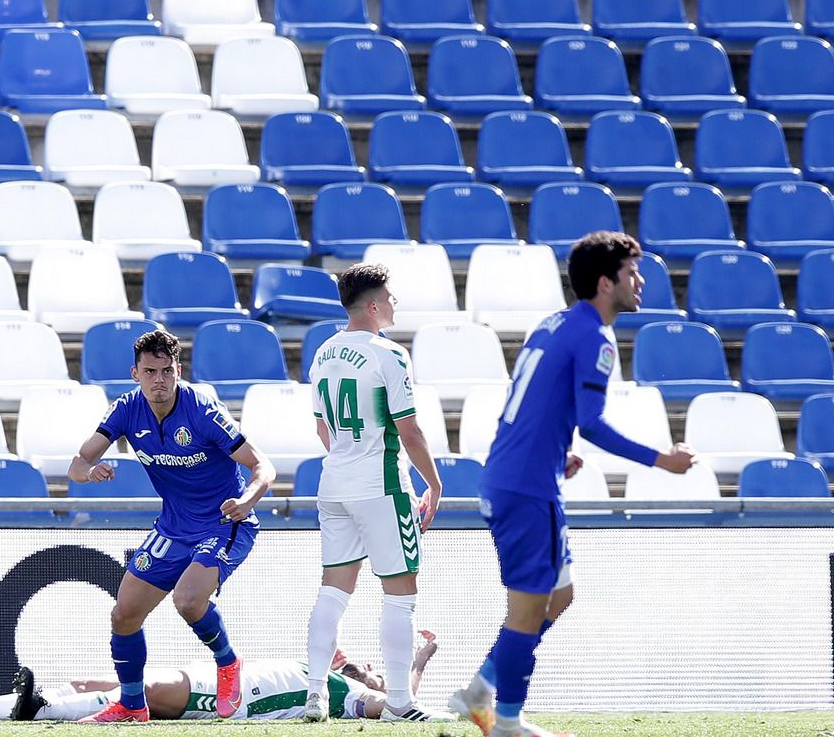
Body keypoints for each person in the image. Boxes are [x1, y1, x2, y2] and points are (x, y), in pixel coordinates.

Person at [448, 231, 697, 737]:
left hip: (526, 479)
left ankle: (478, 693)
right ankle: (506, 724)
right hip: (524, 489)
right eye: (631, 272)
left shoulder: (556, 323)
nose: (640, 280)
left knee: (559, 596)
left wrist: (554, 454)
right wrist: (661, 460)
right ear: (606, 283)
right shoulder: (596, 336)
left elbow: (532, 400)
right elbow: (595, 424)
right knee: (528, 610)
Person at [65, 329, 276, 723]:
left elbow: (263, 465)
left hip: (224, 522)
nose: (159, 380)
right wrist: (90, 472)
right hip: (174, 526)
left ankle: (229, 664)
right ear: (135, 373)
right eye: (150, 371)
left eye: (167, 371)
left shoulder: (202, 410)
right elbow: (77, 464)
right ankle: (132, 705)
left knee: (188, 600)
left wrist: (248, 501)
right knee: (123, 615)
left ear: (178, 370)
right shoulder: (126, 410)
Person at [300, 263, 444, 723]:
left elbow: (323, 427)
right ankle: (400, 701)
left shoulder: (322, 353)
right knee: (400, 594)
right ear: (376, 305)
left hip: (334, 482)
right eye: (392, 296)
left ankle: (315, 697)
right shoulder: (389, 354)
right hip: (381, 485)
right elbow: (410, 431)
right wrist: (434, 484)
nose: (396, 303)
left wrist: (347, 458)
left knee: (332, 592)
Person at [0, 629, 443, 722]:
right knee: (100, 685)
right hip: (221, 677)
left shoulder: (352, 697)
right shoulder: (323, 672)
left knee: (146, 693)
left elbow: (398, 704)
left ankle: (34, 707)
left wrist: (415, 666)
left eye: (381, 673)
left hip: (236, 701)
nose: (375, 670)